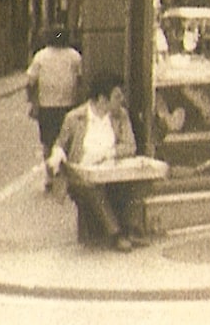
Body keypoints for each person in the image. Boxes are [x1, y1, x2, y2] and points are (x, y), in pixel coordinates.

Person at [47, 72, 145, 252]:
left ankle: (131, 228)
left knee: (139, 182)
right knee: (92, 188)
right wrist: (57, 157)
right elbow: (60, 145)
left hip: (112, 171)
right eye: (117, 96)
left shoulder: (120, 116)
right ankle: (116, 233)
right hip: (83, 174)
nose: (121, 100)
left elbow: (130, 146)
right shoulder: (74, 118)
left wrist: (107, 154)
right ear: (102, 99)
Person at [26, 27, 84, 191]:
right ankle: (67, 175)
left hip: (47, 105)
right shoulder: (74, 56)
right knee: (68, 141)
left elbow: (30, 81)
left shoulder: (41, 56)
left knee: (48, 142)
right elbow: (80, 79)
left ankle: (50, 176)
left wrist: (33, 102)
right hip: (68, 104)